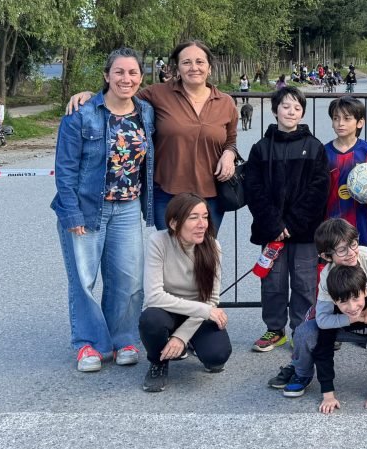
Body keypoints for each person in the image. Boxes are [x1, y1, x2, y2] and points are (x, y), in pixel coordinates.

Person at [51, 47, 155, 372]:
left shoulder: (147, 112)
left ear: (140, 77)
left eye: (133, 73)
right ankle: (89, 344)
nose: (126, 78)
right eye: (119, 72)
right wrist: (71, 212)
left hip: (126, 209)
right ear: (107, 76)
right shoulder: (81, 114)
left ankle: (123, 338)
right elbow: (65, 168)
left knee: (128, 279)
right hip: (86, 208)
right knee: (83, 280)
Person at [67, 40, 238, 233]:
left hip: (211, 196)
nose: (194, 68)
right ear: (177, 68)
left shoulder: (226, 103)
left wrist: (229, 154)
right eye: (186, 62)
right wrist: (91, 95)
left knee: (203, 256)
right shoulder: (157, 94)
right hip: (166, 194)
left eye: (200, 62)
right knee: (170, 255)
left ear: (210, 67)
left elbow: (230, 139)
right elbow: (121, 95)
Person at [270, 218, 367, 396]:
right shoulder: (327, 277)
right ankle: (301, 372)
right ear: (326, 256)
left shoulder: (365, 256)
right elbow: (322, 320)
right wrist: (352, 317)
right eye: (341, 249)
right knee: (305, 332)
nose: (351, 252)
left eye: (353, 244)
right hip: (346, 324)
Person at [245, 86, 329, 353]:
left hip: (304, 232)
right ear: (275, 111)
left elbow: (319, 190)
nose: (291, 112)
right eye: (285, 106)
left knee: (305, 283)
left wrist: (291, 224)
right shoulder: (260, 149)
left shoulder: (314, 147)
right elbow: (254, 189)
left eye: (297, 107)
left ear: (302, 112)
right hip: (271, 233)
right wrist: (274, 225)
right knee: (273, 282)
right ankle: (274, 328)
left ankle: (302, 329)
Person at [139, 193, 231, 392]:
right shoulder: (158, 241)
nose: (202, 224)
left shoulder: (213, 246)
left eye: (205, 216)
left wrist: (181, 336)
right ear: (174, 223)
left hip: (197, 314)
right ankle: (158, 362)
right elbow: (154, 296)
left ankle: (186, 342)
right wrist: (205, 311)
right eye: (193, 217)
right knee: (150, 319)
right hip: (165, 310)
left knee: (217, 357)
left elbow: (212, 299)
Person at [311, 265, 367, 414]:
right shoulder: (332, 311)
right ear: (334, 300)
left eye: (355, 298)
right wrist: (327, 395)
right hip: (346, 329)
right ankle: (300, 373)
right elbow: (324, 351)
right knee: (307, 334)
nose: (352, 307)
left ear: (365, 291)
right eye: (344, 302)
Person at [323, 96, 367, 250]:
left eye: (347, 118)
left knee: (363, 270)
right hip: (332, 224)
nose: (340, 123)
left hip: (362, 224)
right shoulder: (323, 153)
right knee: (333, 271)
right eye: (336, 118)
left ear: (360, 122)